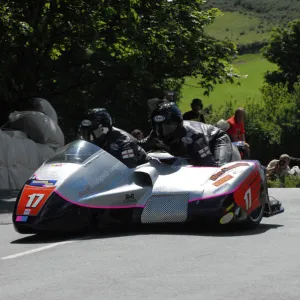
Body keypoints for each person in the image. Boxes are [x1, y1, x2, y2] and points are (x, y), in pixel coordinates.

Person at [149, 102, 283, 215]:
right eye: (158, 127)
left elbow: (208, 167)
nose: (161, 132)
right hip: (190, 152)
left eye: (167, 127)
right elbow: (140, 147)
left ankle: (264, 202)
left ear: (177, 124)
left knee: (217, 172)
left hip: (216, 141)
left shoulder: (194, 138)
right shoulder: (155, 134)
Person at [78, 108, 150, 168]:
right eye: (85, 133)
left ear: (104, 129)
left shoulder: (125, 143)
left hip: (139, 176)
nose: (89, 137)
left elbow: (127, 169)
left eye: (92, 133)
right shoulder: (94, 143)